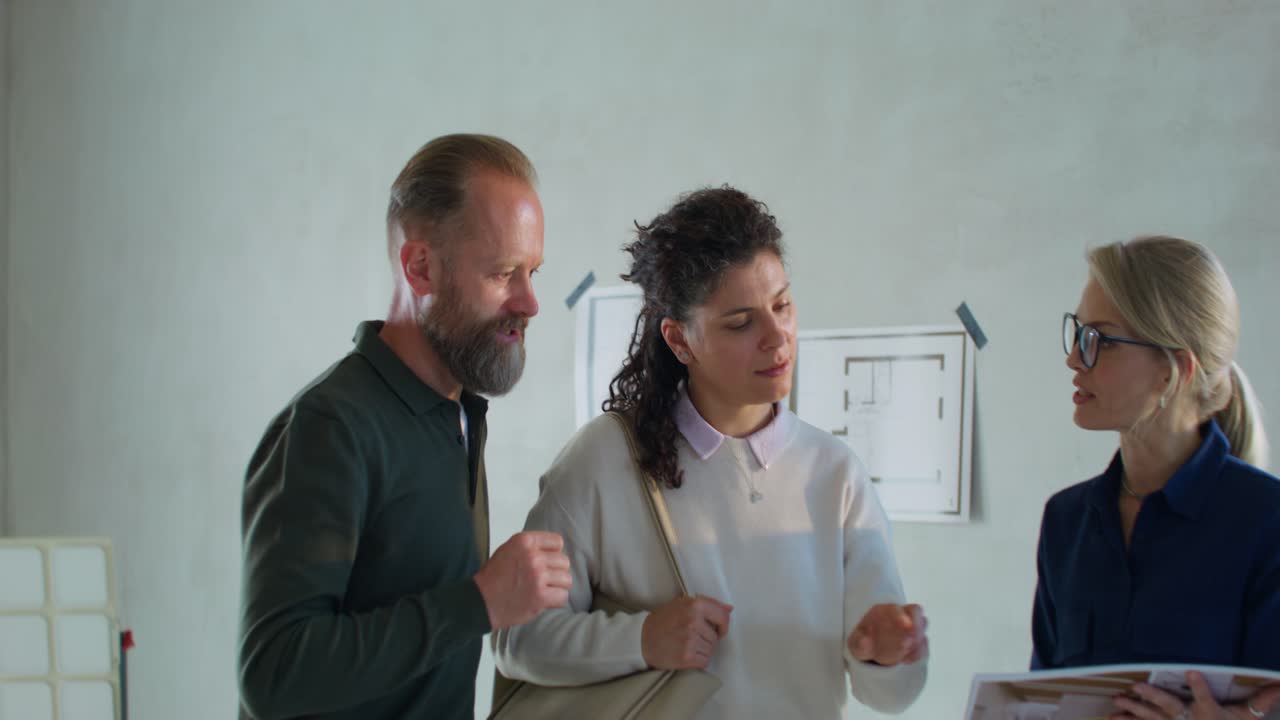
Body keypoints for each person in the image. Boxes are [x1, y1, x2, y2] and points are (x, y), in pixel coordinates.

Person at [493, 186, 928, 719]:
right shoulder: (604, 460)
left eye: (782, 305)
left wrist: (887, 655)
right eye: (741, 323)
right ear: (680, 341)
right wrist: (642, 639)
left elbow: (892, 696)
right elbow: (518, 642)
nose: (777, 338)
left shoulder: (836, 474)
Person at [238, 134, 572, 720]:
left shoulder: (462, 413)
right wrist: (477, 603)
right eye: (504, 273)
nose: (530, 302)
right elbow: (274, 671)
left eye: (533, 272)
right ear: (421, 268)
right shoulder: (331, 426)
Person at [1034, 235, 1280, 719]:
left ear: (1173, 370)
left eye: (1101, 340)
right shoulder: (1066, 519)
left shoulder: (1267, 523)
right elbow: (1041, 698)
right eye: (1078, 333)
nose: (1074, 359)